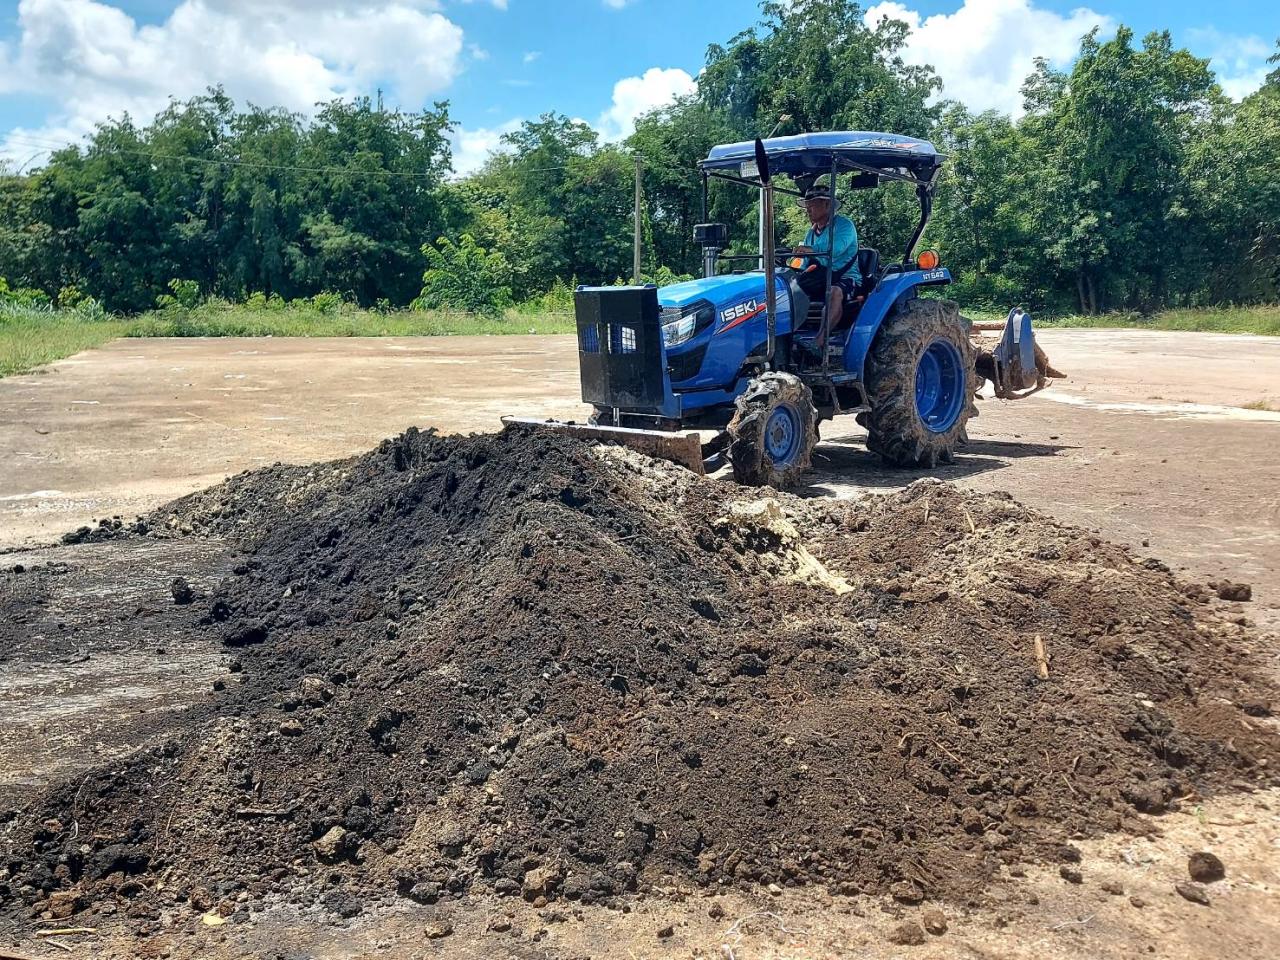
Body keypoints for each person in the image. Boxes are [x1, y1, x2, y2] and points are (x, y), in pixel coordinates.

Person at [790, 185, 860, 332]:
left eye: (812, 205)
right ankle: (790, 335)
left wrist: (810, 250)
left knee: (834, 292)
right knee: (787, 290)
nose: (808, 210)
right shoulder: (811, 233)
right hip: (820, 278)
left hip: (844, 277)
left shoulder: (844, 226)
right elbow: (806, 263)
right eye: (807, 206)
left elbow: (835, 249)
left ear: (827, 205)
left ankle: (821, 341)